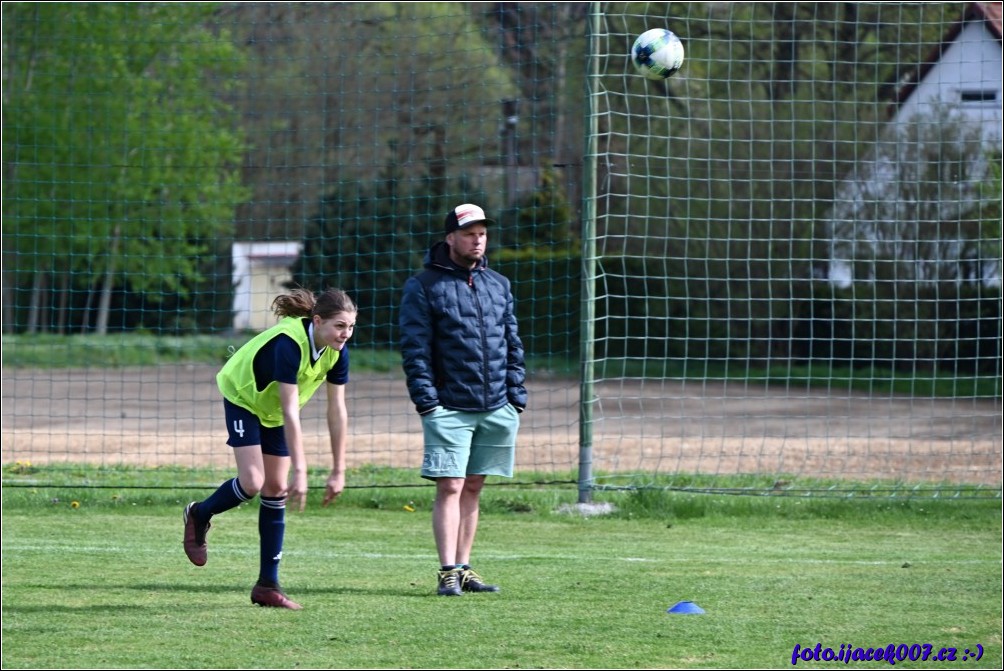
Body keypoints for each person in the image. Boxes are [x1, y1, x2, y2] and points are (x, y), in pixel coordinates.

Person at [183, 287, 357, 610]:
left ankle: (267, 585)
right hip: (244, 397)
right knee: (252, 482)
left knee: (275, 488)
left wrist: (338, 470)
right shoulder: (289, 344)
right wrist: (302, 471)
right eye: (339, 326)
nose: (345, 334)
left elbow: (338, 411)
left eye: (350, 327)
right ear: (317, 321)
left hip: (272, 410)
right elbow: (292, 410)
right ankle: (198, 514)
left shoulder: (337, 352)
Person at [399, 203, 527, 596]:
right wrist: (428, 404)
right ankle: (447, 571)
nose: (478, 239)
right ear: (450, 238)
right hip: (448, 408)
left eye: (482, 233)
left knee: (473, 486)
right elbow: (414, 349)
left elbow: (512, 342)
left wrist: (515, 397)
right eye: (470, 232)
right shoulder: (422, 286)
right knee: (450, 486)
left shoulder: (499, 284)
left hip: (496, 405)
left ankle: (466, 567)